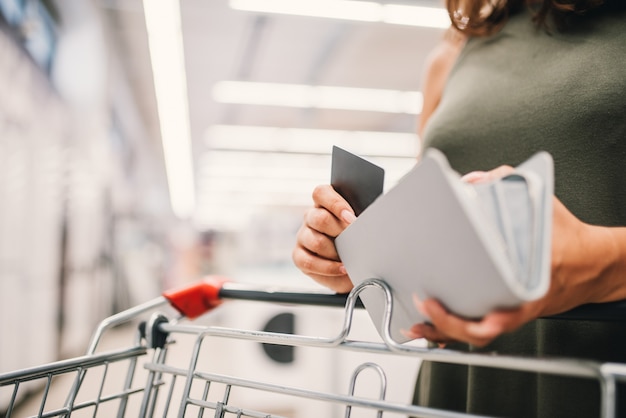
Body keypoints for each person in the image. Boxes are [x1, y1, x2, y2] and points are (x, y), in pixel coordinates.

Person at [292, 1, 626, 416]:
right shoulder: (457, 51)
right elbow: (429, 221)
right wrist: (352, 257)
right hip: (457, 383)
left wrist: (606, 261)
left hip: (602, 378)